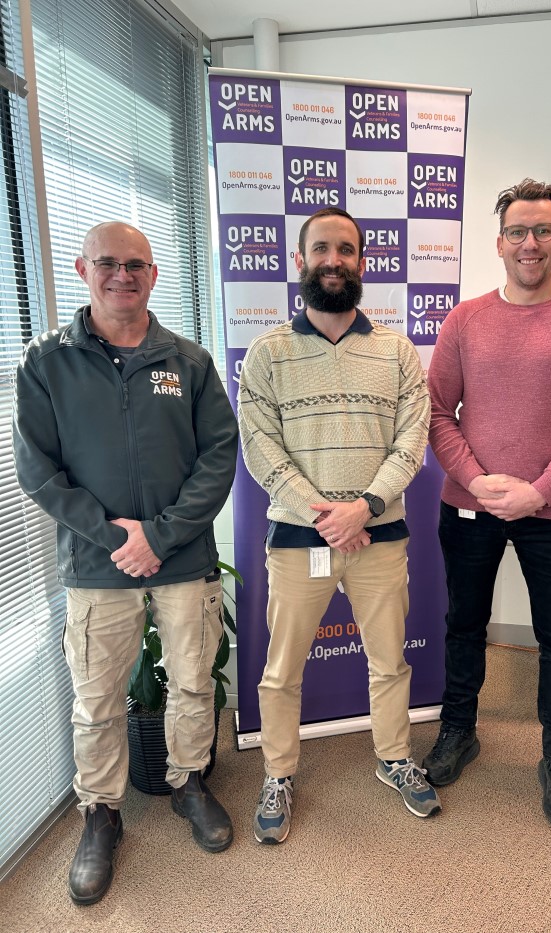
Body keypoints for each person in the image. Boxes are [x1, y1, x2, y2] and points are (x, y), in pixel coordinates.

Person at [13, 222, 239, 904]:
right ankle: (101, 813)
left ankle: (188, 782)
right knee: (97, 699)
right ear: (82, 269)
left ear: (153, 274)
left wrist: (160, 536)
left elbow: (218, 456)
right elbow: (38, 471)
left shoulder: (189, 361)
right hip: (96, 562)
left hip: (182, 556)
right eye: (107, 263)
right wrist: (115, 536)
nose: (122, 275)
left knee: (193, 680)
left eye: (136, 264)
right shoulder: (45, 363)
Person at [423, 179, 551, 827]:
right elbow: (436, 411)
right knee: (464, 624)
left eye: (542, 230)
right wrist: (475, 479)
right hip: (470, 504)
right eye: (517, 231)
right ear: (500, 242)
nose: (529, 243)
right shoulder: (465, 319)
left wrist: (539, 490)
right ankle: (459, 731)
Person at [237, 207, 440, 844]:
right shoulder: (267, 353)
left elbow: (413, 441)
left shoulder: (398, 351)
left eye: (346, 250)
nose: (333, 260)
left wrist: (363, 508)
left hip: (378, 536)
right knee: (281, 670)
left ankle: (394, 756)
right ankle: (278, 772)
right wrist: (328, 516)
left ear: (361, 262)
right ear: (300, 261)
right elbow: (260, 448)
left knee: (390, 662)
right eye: (321, 248)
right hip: (301, 540)